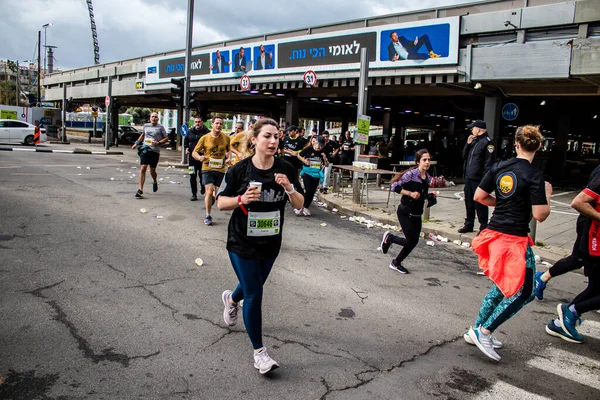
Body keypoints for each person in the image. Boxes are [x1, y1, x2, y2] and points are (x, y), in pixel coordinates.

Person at [216, 118, 304, 374]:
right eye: (267, 136)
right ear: (254, 139)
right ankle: (260, 353)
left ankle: (231, 300)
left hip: (270, 242)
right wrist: (241, 198)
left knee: (251, 285)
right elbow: (221, 203)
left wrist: (288, 188)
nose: (273, 141)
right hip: (241, 241)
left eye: (276, 136)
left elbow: (299, 204)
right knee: (254, 293)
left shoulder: (287, 168)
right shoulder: (239, 170)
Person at [465, 125, 551, 362]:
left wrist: (503, 203)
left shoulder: (499, 167)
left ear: (516, 144)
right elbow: (541, 214)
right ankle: (484, 331)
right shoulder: (534, 174)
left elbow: (479, 197)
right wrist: (548, 193)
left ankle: (477, 329)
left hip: (495, 235)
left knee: (502, 287)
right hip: (515, 240)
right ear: (539, 147)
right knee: (525, 292)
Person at [543, 167, 600, 343]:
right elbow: (578, 202)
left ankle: (563, 322)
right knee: (591, 282)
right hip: (595, 243)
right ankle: (570, 311)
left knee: (595, 288)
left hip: (592, 241)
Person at [535, 164, 600, 301]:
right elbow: (579, 202)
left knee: (579, 260)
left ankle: (543, 278)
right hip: (589, 225)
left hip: (590, 224)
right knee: (579, 260)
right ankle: (569, 312)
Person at [379, 149, 437, 274]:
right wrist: (410, 193)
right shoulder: (411, 174)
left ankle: (395, 263)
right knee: (411, 240)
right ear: (418, 162)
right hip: (405, 212)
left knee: (414, 241)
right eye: (424, 160)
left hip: (417, 213)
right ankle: (390, 238)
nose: (427, 162)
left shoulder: (427, 178)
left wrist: (430, 195)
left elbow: (422, 194)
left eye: (429, 160)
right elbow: (394, 187)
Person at [192, 116, 231, 225]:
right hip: (207, 168)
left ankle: (212, 198)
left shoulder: (226, 138)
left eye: (221, 124)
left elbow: (228, 151)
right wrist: (200, 157)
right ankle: (208, 215)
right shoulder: (204, 138)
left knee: (218, 194)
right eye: (217, 123)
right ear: (212, 124)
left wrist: (228, 158)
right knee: (209, 191)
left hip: (220, 169)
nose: (219, 125)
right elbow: (194, 152)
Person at [459, 119, 495, 233]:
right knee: (468, 202)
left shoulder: (488, 142)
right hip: (469, 177)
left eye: (473, 128)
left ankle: (483, 226)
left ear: (478, 129)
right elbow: (464, 156)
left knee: (480, 204)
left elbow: (488, 164)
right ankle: (469, 223)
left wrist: (484, 181)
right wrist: (468, 144)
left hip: (479, 179)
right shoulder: (474, 141)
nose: (471, 130)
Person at [132, 112, 168, 198]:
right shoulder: (146, 126)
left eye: (155, 117)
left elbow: (166, 138)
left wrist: (158, 142)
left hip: (155, 151)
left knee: (152, 170)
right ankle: (140, 190)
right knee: (143, 168)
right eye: (152, 117)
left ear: (158, 119)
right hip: (145, 149)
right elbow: (143, 135)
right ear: (150, 118)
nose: (154, 118)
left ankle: (155, 181)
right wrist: (136, 143)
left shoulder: (160, 127)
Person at [297, 135, 328, 216]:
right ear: (315, 142)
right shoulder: (308, 149)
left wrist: (325, 159)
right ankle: (301, 206)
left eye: (321, 146)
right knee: (308, 189)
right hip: (307, 172)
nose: (319, 147)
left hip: (316, 174)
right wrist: (304, 161)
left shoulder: (323, 152)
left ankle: (306, 207)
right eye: (319, 145)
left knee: (312, 192)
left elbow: (327, 165)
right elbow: (298, 155)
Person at [185, 117, 210, 201]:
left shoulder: (207, 132)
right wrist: (186, 148)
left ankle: (203, 186)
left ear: (202, 122)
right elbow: (186, 140)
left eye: (199, 122)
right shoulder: (190, 131)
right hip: (192, 158)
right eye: (196, 122)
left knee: (202, 175)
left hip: (202, 158)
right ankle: (194, 194)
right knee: (192, 176)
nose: (197, 123)